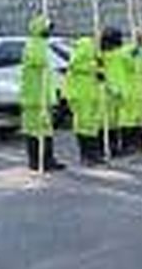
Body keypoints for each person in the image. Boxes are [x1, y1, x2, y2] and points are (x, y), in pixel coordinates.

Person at [19, 14, 65, 171]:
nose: (50, 31)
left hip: (42, 96)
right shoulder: (32, 45)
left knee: (45, 129)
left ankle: (47, 159)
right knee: (34, 129)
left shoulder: (42, 45)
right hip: (34, 97)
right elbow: (38, 61)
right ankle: (36, 160)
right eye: (48, 28)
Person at [64, 35, 108, 166]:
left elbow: (97, 73)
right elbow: (83, 68)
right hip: (82, 99)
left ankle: (92, 154)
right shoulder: (79, 66)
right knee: (85, 126)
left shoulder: (88, 65)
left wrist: (100, 69)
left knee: (91, 126)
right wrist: (97, 67)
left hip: (90, 98)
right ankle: (87, 155)